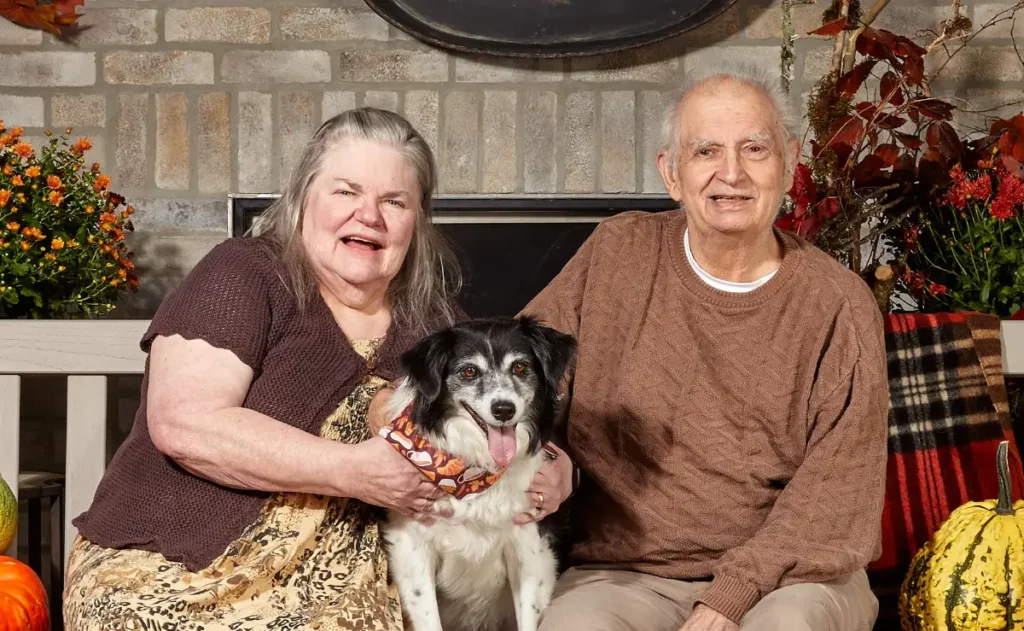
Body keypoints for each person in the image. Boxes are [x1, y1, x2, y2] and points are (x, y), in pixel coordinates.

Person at [62, 107, 573, 630]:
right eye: (346, 191)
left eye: (393, 201)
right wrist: (353, 472)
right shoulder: (244, 273)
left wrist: (554, 464)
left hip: (342, 592)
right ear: (304, 195)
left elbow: (491, 409)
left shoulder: (435, 320)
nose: (368, 215)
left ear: (416, 222)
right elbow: (185, 424)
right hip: (180, 565)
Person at [522, 65, 889, 631]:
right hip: (627, 573)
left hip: (792, 580)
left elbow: (837, 494)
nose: (732, 173)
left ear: (790, 165)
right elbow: (522, 373)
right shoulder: (618, 253)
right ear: (671, 173)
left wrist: (730, 598)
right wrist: (548, 457)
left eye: (755, 149)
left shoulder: (837, 303)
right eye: (706, 152)